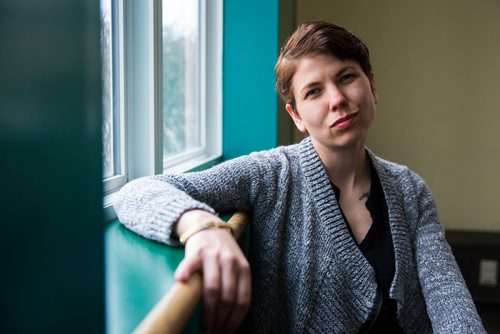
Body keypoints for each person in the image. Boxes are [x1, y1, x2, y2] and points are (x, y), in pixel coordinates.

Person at [114, 21, 485, 333]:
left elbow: (449, 300)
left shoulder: (410, 190)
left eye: (346, 77)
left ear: (371, 85)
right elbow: (135, 192)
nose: (337, 99)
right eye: (314, 91)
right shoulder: (270, 174)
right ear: (296, 117)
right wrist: (202, 228)